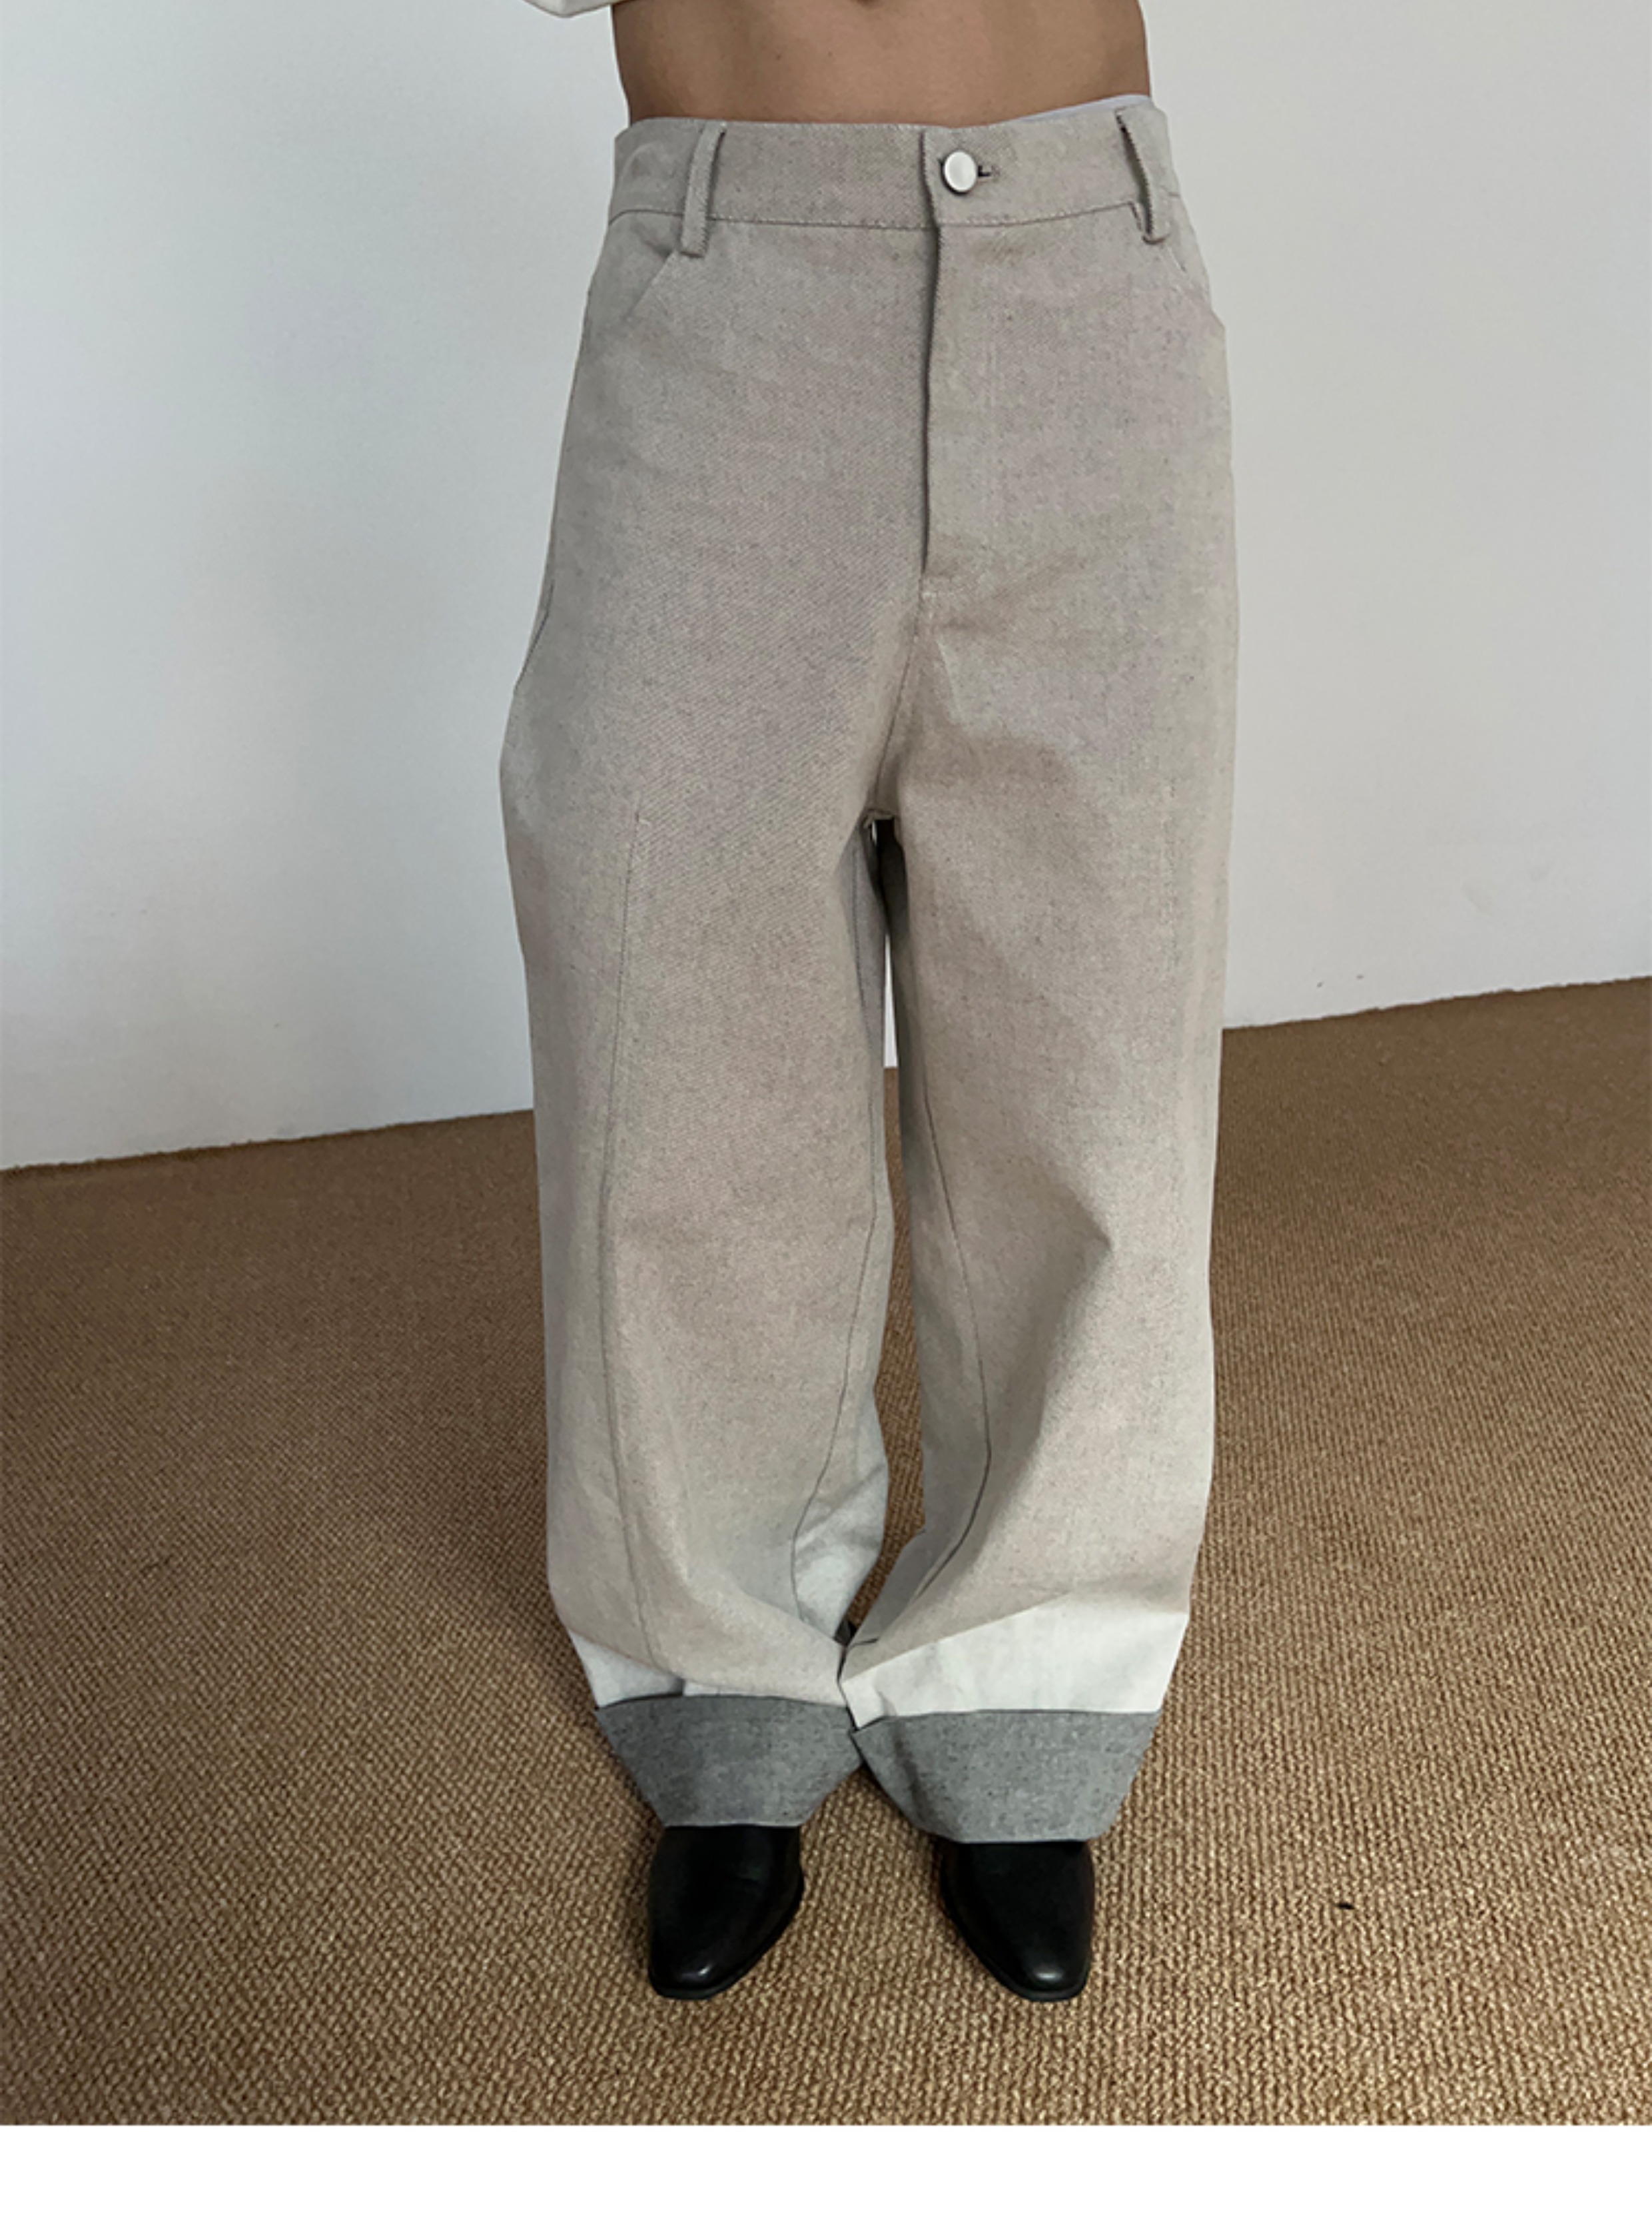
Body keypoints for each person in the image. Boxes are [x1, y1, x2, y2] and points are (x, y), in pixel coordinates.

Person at [499, 0, 1237, 2003]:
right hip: (727, 288)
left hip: (1082, 284)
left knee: (1092, 1038)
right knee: (671, 1008)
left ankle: (1033, 1661)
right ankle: (715, 1655)